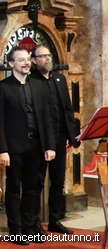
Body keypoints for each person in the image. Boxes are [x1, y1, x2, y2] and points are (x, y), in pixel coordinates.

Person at [0, 46, 56, 245]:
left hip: (36, 145)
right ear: (11, 64)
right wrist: (2, 149)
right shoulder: (2, 87)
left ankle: (29, 228)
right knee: (13, 189)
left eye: (27, 59)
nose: (26, 62)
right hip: (13, 147)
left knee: (32, 188)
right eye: (21, 60)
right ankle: (16, 230)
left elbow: (46, 118)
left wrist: (50, 145)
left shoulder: (37, 85)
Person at [30, 45, 79, 235]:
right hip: (41, 141)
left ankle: (54, 220)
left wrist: (71, 135)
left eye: (48, 55)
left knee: (58, 181)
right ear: (33, 60)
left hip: (60, 138)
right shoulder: (32, 81)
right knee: (38, 182)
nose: (47, 59)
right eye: (42, 56)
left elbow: (67, 109)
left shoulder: (59, 78)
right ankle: (34, 222)